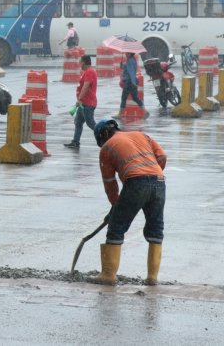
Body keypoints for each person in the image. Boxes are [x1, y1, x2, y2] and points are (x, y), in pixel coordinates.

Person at [94, 119, 167, 286]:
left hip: (135, 182)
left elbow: (110, 183)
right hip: (159, 182)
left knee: (116, 228)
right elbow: (162, 156)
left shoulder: (107, 147)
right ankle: (152, 278)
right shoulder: (142, 135)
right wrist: (152, 174)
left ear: (104, 135)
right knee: (156, 229)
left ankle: (108, 275)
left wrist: (115, 206)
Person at [65, 55, 98, 148]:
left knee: (90, 123)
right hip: (84, 104)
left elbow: (86, 86)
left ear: (83, 62)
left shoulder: (89, 72)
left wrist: (79, 99)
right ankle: (75, 142)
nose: (79, 64)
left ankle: (104, 137)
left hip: (88, 103)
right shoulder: (87, 72)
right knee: (78, 122)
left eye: (80, 62)